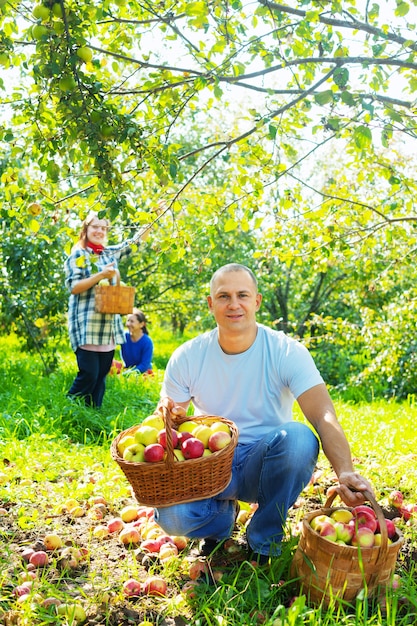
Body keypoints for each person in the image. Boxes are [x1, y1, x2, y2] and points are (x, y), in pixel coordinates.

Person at [153, 263, 374, 564]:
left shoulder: (285, 351)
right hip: (211, 467)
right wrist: (168, 413)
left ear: (256, 301)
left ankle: (264, 538)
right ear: (210, 304)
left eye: (242, 295)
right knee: (172, 517)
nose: (234, 304)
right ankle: (220, 523)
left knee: (298, 438)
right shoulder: (188, 356)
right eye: (223, 296)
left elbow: (323, 414)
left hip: (266, 464)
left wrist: (345, 470)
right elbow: (174, 417)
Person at [64, 211, 146, 408]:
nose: (99, 231)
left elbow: (134, 243)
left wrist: (152, 218)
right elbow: (74, 287)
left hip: (107, 327)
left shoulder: (108, 253)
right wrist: (100, 275)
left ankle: (93, 414)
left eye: (103, 227)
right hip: (87, 325)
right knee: (89, 374)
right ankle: (68, 408)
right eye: (95, 227)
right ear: (86, 229)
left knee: (100, 376)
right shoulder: (79, 254)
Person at [120, 308, 154, 374]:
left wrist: (130, 373)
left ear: (141, 324)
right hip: (127, 369)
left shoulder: (147, 342)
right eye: (128, 320)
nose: (128, 324)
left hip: (143, 372)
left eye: (132, 321)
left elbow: (145, 365)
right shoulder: (124, 336)